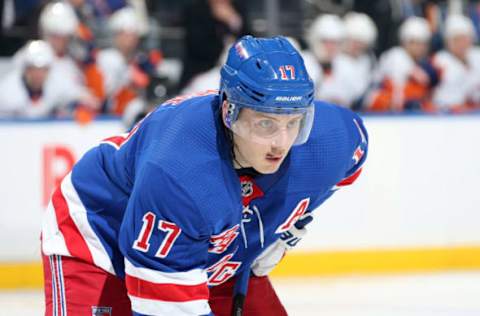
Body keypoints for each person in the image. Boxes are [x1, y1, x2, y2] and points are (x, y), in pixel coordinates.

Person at [41, 35, 368, 316]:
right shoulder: (181, 174)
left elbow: (351, 159)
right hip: (100, 236)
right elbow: (165, 305)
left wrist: (280, 230)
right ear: (230, 112)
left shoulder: (331, 140)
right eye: (265, 123)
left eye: (292, 122)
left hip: (205, 245)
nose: (281, 143)